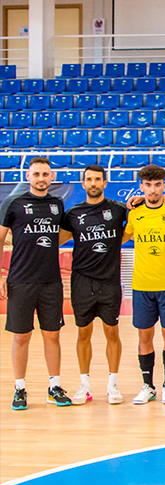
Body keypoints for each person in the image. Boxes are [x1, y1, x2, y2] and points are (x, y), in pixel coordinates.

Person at [1, 157, 71, 409]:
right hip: (20, 280)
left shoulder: (57, 204)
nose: (41, 178)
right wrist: (1, 273)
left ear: (51, 177)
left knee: (52, 335)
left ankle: (54, 387)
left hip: (50, 281)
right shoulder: (13, 203)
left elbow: (61, 236)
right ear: (28, 176)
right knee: (21, 337)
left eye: (45, 174)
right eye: (37, 174)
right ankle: (20, 389)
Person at [59, 165, 128, 405]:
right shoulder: (73, 214)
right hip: (82, 281)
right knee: (83, 333)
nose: (93, 183)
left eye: (97, 179)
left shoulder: (118, 210)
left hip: (109, 281)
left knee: (112, 332)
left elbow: (132, 227)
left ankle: (112, 385)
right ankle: (85, 385)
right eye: (89, 179)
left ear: (105, 183)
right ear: (83, 183)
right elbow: (56, 240)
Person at [123, 165, 165, 405]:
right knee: (144, 337)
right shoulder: (134, 214)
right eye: (148, 185)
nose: (153, 190)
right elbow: (121, 235)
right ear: (141, 187)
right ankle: (147, 385)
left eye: (157, 185)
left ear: (164, 186)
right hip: (141, 285)